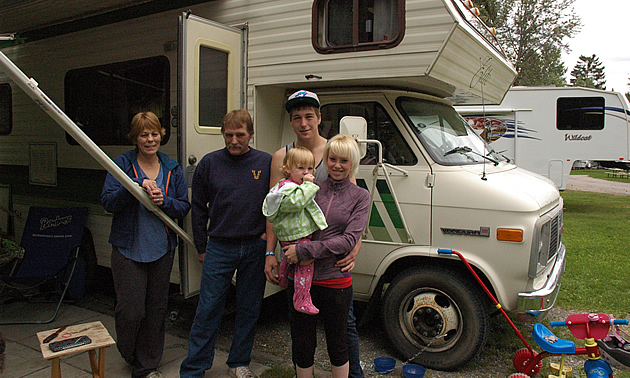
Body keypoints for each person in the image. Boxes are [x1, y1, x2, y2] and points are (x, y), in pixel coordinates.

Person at [264, 89, 366, 377]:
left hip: (331, 262)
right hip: (296, 258)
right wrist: (270, 252)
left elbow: (354, 202)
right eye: (297, 117)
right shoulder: (281, 157)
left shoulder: (335, 151)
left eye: (309, 116)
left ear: (319, 117)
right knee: (302, 327)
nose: (303, 123)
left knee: (343, 327)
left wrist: (355, 249)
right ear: (291, 121)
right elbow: (275, 209)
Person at [179, 109, 272, 378]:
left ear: (250, 135)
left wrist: (269, 244)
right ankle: (194, 368)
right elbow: (198, 208)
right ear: (223, 134)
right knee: (208, 308)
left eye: (240, 135)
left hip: (255, 245)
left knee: (249, 307)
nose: (233, 140)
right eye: (228, 135)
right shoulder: (209, 163)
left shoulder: (265, 163)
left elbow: (276, 203)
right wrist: (202, 247)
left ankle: (239, 363)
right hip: (219, 247)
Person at [101, 111, 190, 378]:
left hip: (162, 250)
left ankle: (146, 366)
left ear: (161, 135)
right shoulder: (123, 164)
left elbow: (183, 206)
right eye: (143, 135)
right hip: (128, 250)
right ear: (135, 138)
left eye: (154, 133)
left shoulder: (172, 168)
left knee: (156, 310)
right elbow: (107, 202)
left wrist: (165, 201)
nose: (150, 139)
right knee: (130, 310)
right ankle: (129, 352)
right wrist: (135, 186)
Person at [284, 134, 370, 377]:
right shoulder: (311, 189)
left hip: (335, 280)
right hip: (301, 278)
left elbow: (348, 240)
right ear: (326, 159)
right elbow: (291, 222)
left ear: (352, 163)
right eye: (332, 159)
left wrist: (304, 251)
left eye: (344, 160)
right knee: (303, 341)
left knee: (338, 342)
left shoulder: (360, 196)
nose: (337, 165)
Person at [262, 147, 328, 315]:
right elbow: (297, 202)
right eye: (301, 168)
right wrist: (309, 185)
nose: (306, 173)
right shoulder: (289, 188)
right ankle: (302, 298)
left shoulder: (287, 186)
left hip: (291, 234)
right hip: (297, 234)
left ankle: (283, 276)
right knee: (305, 263)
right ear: (287, 169)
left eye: (310, 168)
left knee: (289, 258)